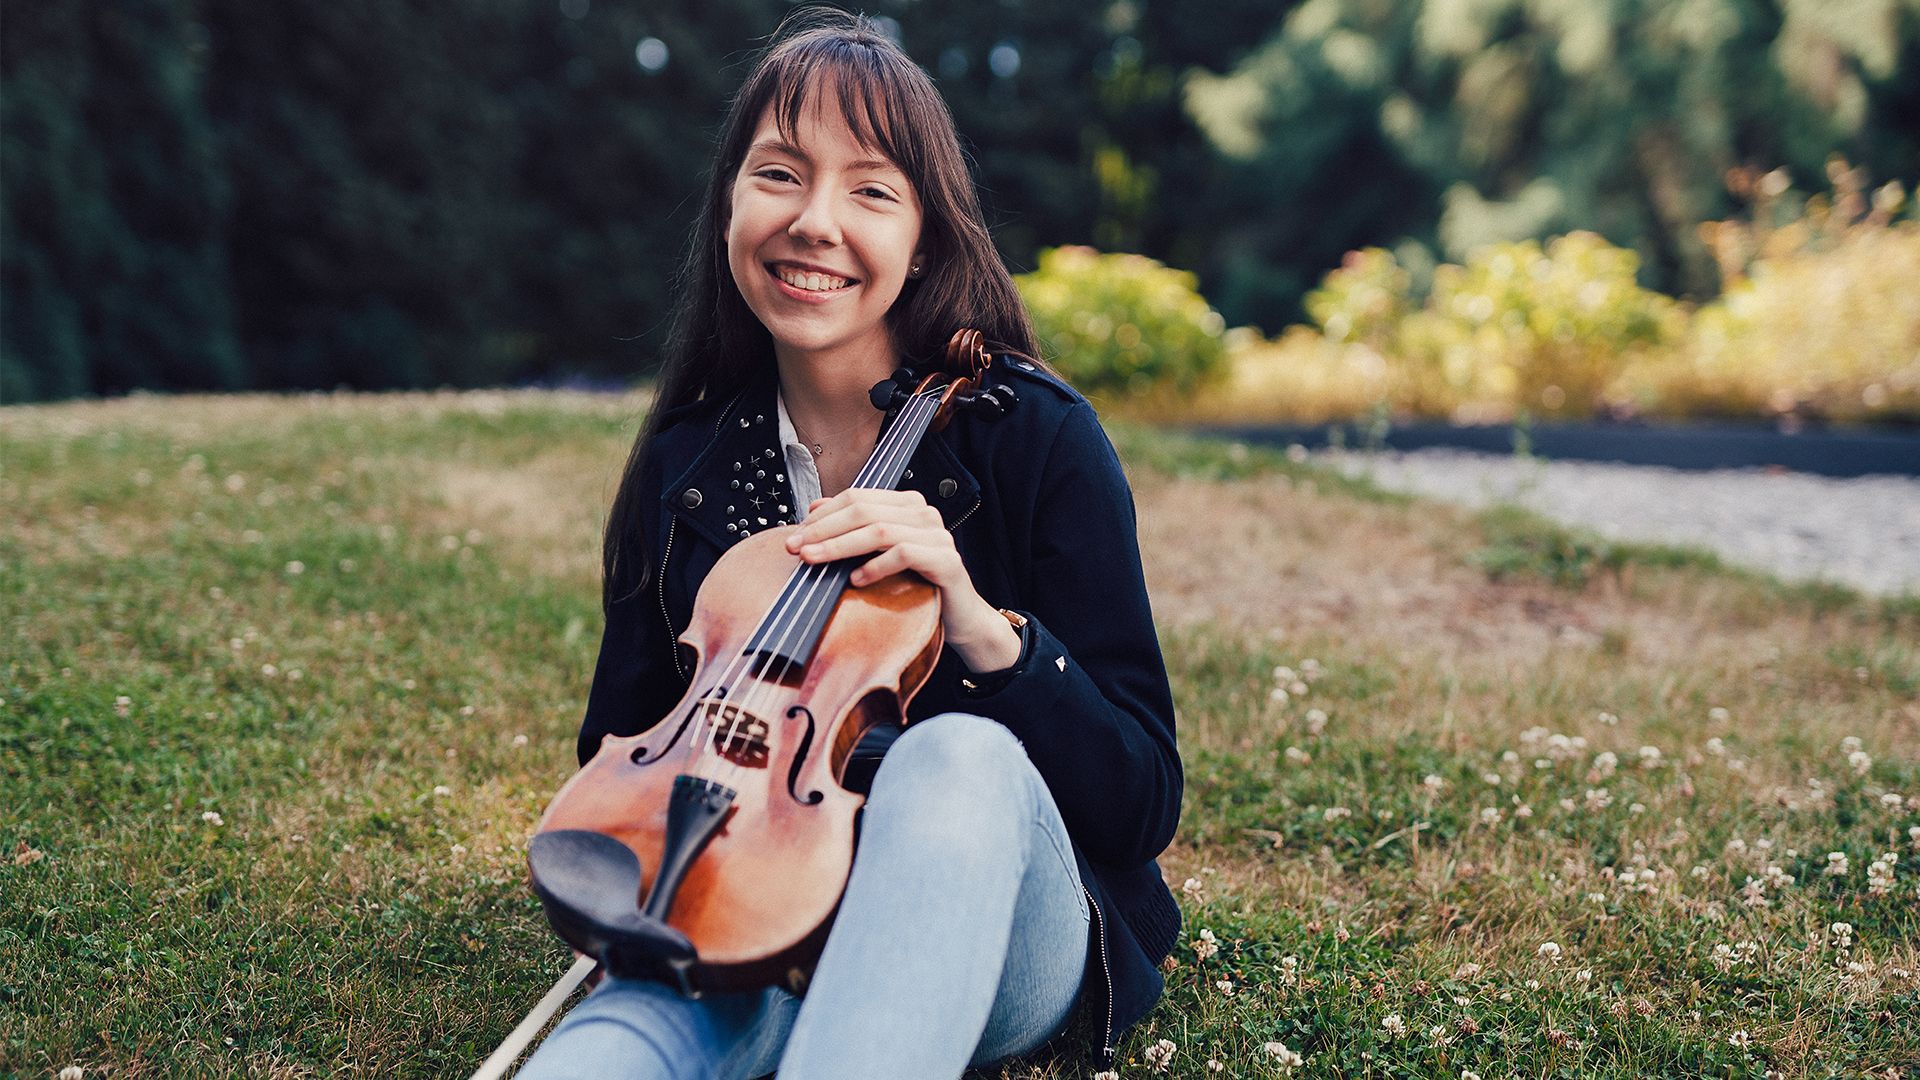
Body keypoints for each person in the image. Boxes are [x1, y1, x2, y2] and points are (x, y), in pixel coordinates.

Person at [515, 12, 1181, 1079]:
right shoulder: (687, 458)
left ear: (925, 236)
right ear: (731, 200)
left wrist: (981, 626)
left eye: (870, 190)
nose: (813, 223)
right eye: (779, 174)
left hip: (1002, 936)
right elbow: (626, 741)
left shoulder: (1040, 438)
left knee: (955, 755)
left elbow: (1141, 798)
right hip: (754, 914)